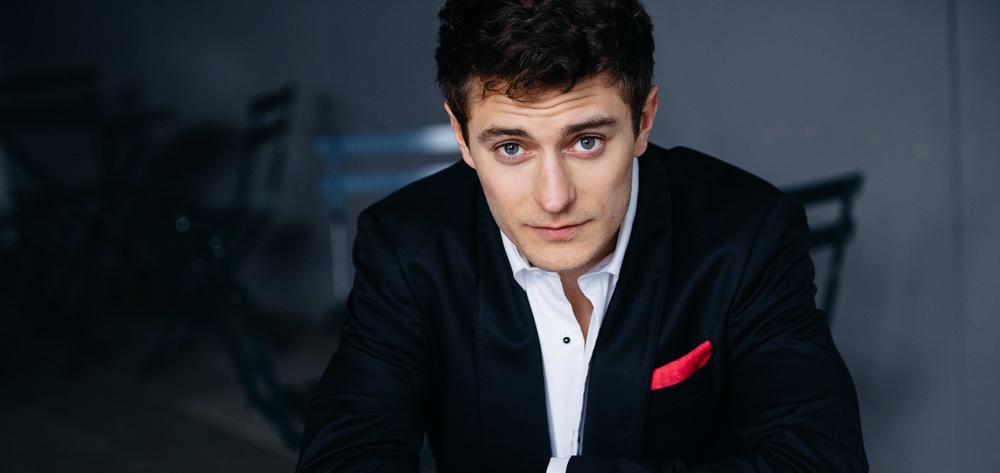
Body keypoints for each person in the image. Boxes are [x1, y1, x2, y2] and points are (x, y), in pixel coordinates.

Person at [296, 0, 868, 471]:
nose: (553, 198)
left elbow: (820, 459)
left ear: (643, 120)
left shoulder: (749, 233)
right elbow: (345, 455)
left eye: (586, 142)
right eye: (511, 147)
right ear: (462, 137)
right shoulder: (405, 246)